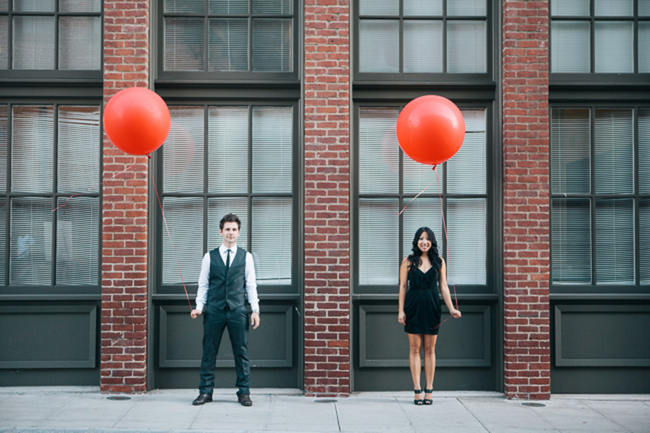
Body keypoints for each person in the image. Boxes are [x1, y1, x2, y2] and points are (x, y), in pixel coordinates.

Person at [190, 213, 260, 407]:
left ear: (239, 233)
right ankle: (205, 392)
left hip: (238, 310)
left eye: (234, 229)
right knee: (209, 352)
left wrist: (255, 310)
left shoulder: (246, 257)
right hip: (214, 311)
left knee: (242, 352)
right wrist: (199, 307)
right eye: (227, 229)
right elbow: (203, 284)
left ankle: (244, 392)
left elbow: (251, 285)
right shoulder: (209, 257)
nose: (231, 233)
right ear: (221, 232)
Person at [398, 227, 461, 406]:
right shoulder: (408, 261)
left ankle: (429, 390)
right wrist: (400, 311)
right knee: (414, 348)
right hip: (413, 307)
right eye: (420, 238)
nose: (423, 241)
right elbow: (402, 286)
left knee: (430, 349)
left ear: (432, 241)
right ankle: (417, 390)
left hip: (432, 307)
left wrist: (451, 309)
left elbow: (444, 287)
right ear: (416, 241)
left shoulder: (439, 261)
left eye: (427, 239)